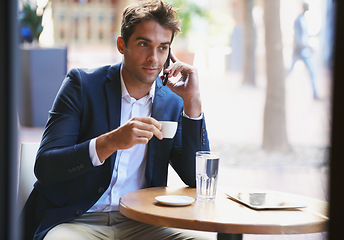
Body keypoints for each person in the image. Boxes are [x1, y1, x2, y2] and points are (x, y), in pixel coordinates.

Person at [21, 0, 210, 239]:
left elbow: (196, 178)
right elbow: (46, 167)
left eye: (163, 47)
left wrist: (192, 103)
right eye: (144, 44)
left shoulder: (172, 101)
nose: (154, 58)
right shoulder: (81, 86)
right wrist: (110, 142)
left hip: (143, 221)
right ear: (122, 45)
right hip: (76, 220)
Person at [287, 2, 318, 99]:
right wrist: (306, 46)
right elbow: (297, 37)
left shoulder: (304, 19)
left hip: (305, 51)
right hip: (299, 51)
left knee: (312, 71)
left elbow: (305, 36)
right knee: (289, 71)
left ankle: (315, 94)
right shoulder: (298, 20)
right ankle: (280, 87)